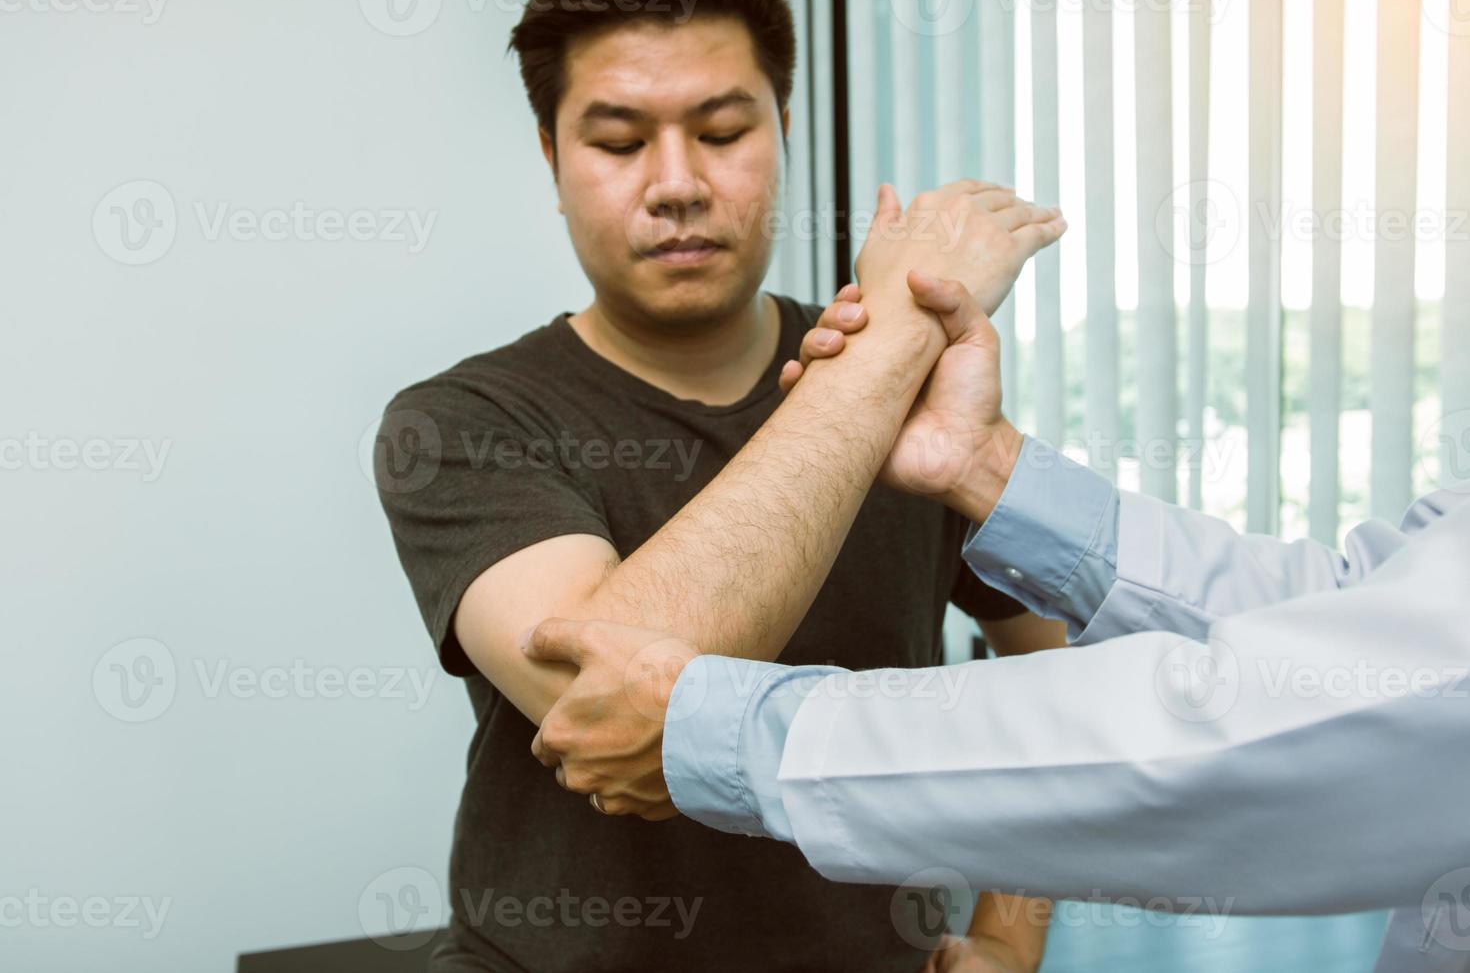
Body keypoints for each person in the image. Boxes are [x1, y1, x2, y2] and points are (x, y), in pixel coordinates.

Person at [373, 0, 1071, 969]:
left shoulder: (906, 398)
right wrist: (888, 351)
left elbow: (1061, 676)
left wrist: (1008, 937)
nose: (677, 185)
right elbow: (625, 700)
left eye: (723, 131)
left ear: (782, 133)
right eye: (618, 142)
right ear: (552, 159)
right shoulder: (465, 422)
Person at [525, 277, 1470, 973]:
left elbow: (1251, 728)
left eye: (724, 128)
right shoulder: (487, 412)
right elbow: (1344, 612)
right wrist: (988, 468)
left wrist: (733, 733)